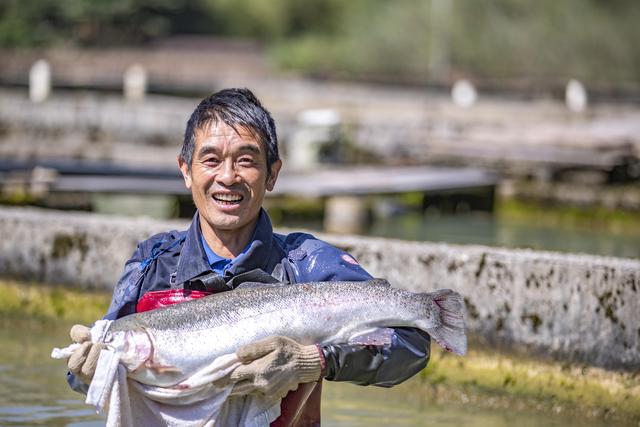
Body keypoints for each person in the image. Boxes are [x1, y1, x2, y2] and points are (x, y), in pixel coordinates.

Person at [66, 88, 430, 426]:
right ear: (185, 171)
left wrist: (314, 361)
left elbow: (412, 343)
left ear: (272, 174)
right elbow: (91, 367)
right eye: (211, 159)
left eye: (246, 160)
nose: (228, 176)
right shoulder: (151, 264)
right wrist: (86, 371)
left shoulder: (308, 265)